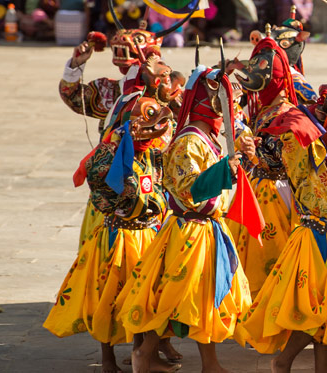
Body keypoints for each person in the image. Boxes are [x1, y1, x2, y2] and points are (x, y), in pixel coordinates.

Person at [235, 35, 327, 373]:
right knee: (317, 309)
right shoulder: (300, 137)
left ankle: (311, 369)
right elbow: (314, 191)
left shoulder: (324, 141)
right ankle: (283, 362)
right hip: (318, 235)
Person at [117, 60, 256, 373]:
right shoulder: (190, 141)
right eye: (226, 105)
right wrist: (226, 169)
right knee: (178, 295)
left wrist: (235, 163)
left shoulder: (207, 138)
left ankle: (211, 363)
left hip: (207, 230)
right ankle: (145, 353)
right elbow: (187, 188)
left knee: (204, 298)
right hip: (190, 232)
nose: (231, 111)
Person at [43, 58, 179, 373]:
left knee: (143, 296)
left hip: (146, 234)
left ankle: (142, 355)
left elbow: (162, 188)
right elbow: (101, 192)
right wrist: (129, 200)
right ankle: (110, 359)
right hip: (118, 235)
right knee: (110, 295)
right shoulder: (110, 153)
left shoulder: (153, 153)